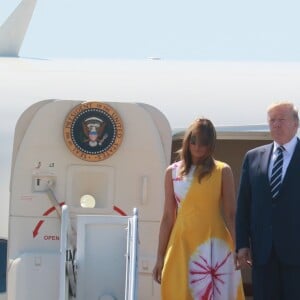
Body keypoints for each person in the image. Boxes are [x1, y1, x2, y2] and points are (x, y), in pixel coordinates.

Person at [152, 118, 245, 300]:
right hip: (180, 243)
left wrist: (238, 249)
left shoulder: (222, 170)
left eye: (203, 142)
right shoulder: (172, 172)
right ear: (187, 141)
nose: (197, 146)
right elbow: (168, 218)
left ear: (211, 144)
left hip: (215, 245)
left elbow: (232, 214)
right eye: (193, 140)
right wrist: (159, 256)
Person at [235, 101, 300, 299]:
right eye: (272, 120)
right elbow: (244, 203)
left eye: (281, 119)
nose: (276, 125)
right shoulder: (253, 157)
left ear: (296, 124)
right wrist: (242, 244)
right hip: (262, 254)